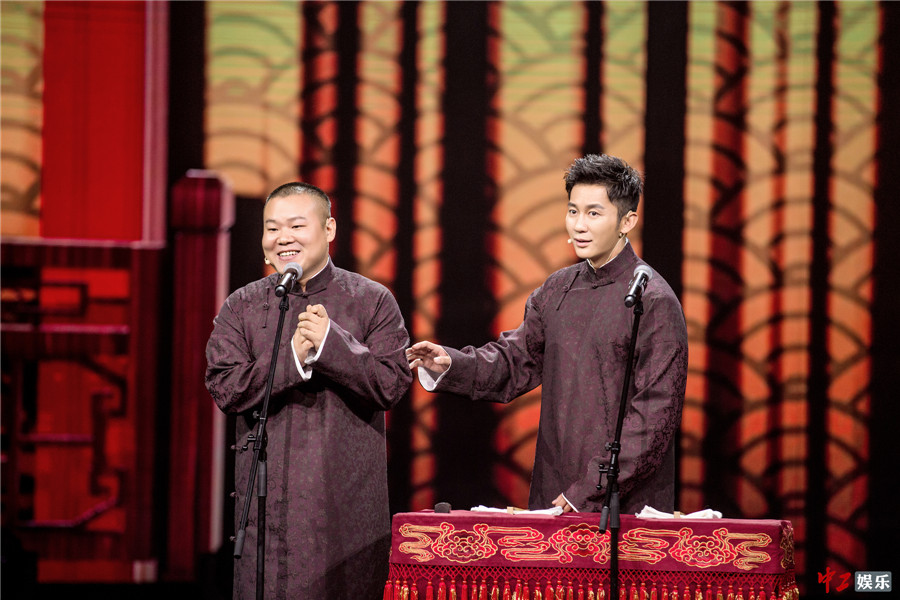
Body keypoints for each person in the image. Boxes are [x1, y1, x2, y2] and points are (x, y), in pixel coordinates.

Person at [406, 154, 687, 515]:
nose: (579, 225)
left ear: (627, 221)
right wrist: (451, 363)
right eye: (573, 211)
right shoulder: (557, 290)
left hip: (623, 504)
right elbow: (514, 361)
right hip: (555, 493)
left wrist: (587, 490)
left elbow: (653, 419)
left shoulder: (653, 300)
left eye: (594, 213)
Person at [206, 182, 412, 598]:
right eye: (272, 228)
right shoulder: (242, 306)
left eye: (297, 226)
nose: (283, 238)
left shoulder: (372, 301)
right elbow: (224, 386)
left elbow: (391, 383)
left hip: (344, 522)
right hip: (265, 519)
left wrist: (332, 346)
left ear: (329, 229)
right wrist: (294, 357)